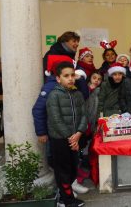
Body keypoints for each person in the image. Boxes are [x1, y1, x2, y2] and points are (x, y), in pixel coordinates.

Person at [46, 61, 87, 207]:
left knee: (73, 169)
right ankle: (66, 200)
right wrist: (72, 138)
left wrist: (79, 133)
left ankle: (65, 194)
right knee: (63, 170)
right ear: (58, 79)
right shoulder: (54, 96)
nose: (70, 78)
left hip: (75, 138)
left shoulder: (77, 94)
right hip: (61, 140)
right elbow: (56, 120)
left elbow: (84, 115)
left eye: (72, 75)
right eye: (66, 76)